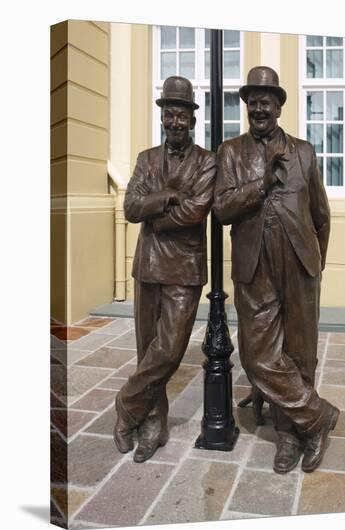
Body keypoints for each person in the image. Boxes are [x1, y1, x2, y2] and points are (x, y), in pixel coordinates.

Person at [214, 66, 339, 474]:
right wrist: (262, 184)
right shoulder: (231, 152)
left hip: (300, 264)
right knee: (257, 354)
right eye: (252, 100)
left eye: (266, 100)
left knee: (300, 352)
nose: (258, 107)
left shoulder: (304, 151)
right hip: (255, 266)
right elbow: (221, 209)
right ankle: (319, 416)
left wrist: (314, 261)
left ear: (280, 106)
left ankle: (291, 433)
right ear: (246, 106)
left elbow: (321, 213)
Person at [114, 76, 216, 463]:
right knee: (147, 351)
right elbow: (130, 208)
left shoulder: (208, 162)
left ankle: (126, 404)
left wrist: (154, 214)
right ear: (163, 118)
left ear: (192, 120)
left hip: (184, 269)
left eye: (181, 115)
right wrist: (167, 196)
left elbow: (195, 213)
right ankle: (152, 423)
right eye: (168, 114)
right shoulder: (145, 159)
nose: (174, 122)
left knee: (169, 350)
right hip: (148, 266)